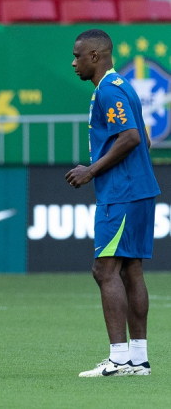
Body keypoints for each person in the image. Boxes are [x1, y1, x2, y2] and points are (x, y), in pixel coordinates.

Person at [66, 29, 159, 377]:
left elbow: (132, 137)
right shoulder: (123, 87)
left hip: (121, 195)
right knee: (131, 270)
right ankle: (138, 358)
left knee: (104, 270)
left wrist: (92, 170)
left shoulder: (108, 89)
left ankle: (119, 358)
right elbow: (145, 138)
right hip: (138, 190)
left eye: (77, 56)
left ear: (95, 56)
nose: (74, 62)